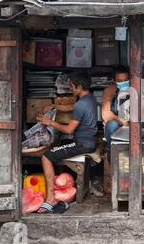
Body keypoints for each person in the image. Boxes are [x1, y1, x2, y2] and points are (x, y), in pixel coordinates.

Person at [36, 71, 98, 213]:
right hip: (90, 141)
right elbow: (72, 108)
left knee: (46, 156)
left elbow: (69, 130)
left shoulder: (80, 105)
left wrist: (49, 122)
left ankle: (51, 198)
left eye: (72, 86)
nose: (70, 89)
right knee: (56, 147)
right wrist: (55, 106)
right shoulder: (90, 98)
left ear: (79, 87)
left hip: (82, 144)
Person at [102, 66, 144, 151]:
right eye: (119, 81)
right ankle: (112, 151)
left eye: (126, 80)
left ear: (130, 80)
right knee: (111, 125)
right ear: (114, 81)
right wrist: (121, 121)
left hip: (135, 122)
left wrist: (132, 124)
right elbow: (106, 114)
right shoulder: (109, 91)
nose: (123, 83)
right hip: (118, 124)